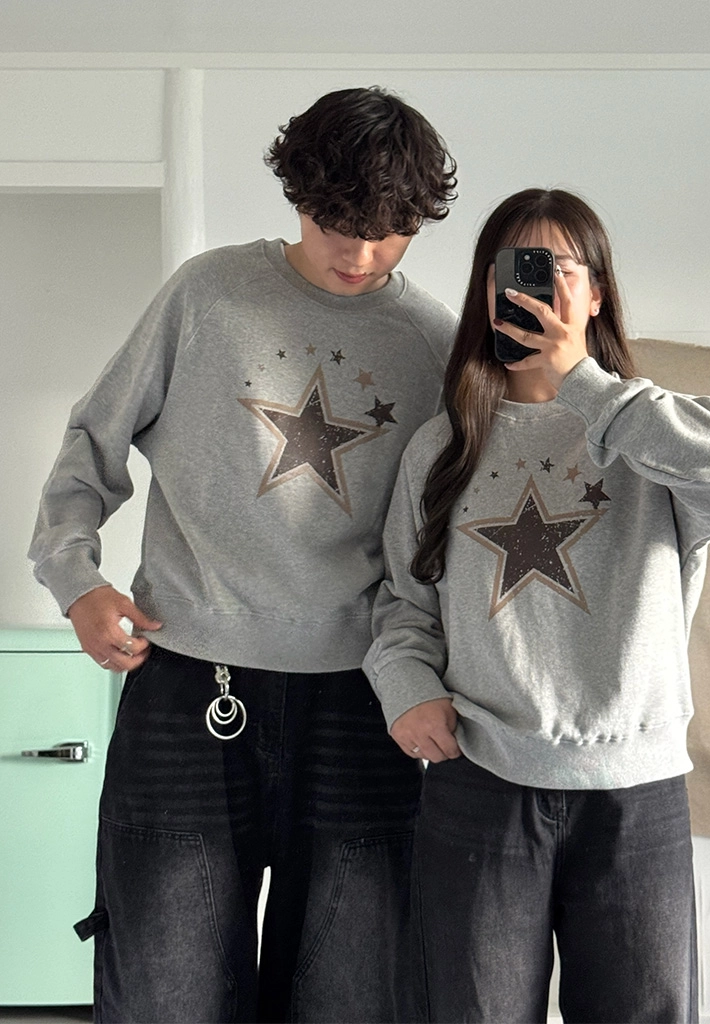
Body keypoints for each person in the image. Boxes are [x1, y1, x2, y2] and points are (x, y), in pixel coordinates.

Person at [29, 86, 457, 1024]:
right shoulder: (206, 295)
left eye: (389, 232)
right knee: (165, 993)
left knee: (352, 998)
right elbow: (93, 444)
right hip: (187, 686)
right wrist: (76, 580)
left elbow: (447, 542)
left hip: (363, 701)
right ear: (297, 194)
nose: (360, 255)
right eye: (337, 223)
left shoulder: (435, 346)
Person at [363, 187, 710, 1024]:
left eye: (556, 270)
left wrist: (585, 383)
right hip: (480, 776)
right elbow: (404, 604)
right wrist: (407, 689)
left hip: (636, 785)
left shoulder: (648, 435)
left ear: (598, 292)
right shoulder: (441, 447)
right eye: (511, 271)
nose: (531, 290)